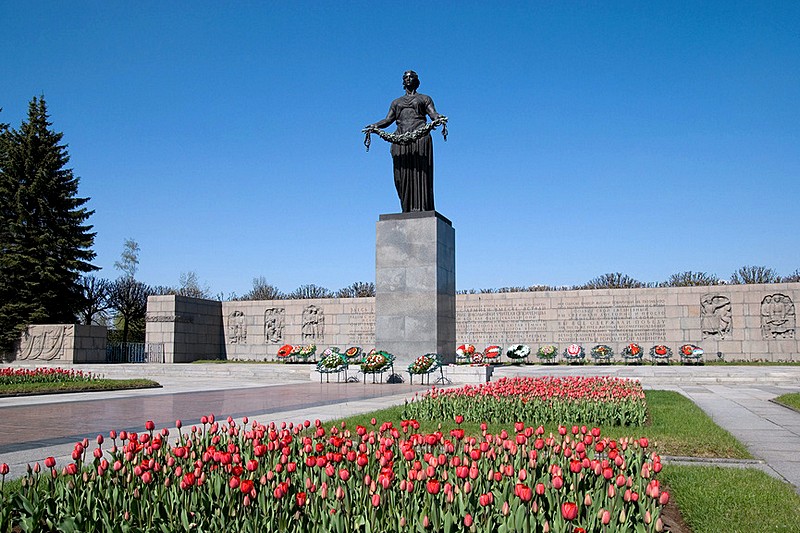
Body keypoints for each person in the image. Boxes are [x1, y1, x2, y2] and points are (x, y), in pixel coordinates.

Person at [365, 70, 445, 212]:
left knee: (420, 173)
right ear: (403, 81)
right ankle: (406, 208)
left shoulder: (424, 98)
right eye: (405, 77)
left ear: (417, 80)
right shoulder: (396, 102)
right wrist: (375, 125)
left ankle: (421, 208)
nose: (408, 79)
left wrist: (438, 118)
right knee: (400, 177)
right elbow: (388, 119)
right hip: (400, 139)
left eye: (411, 77)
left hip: (419, 138)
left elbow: (433, 113)